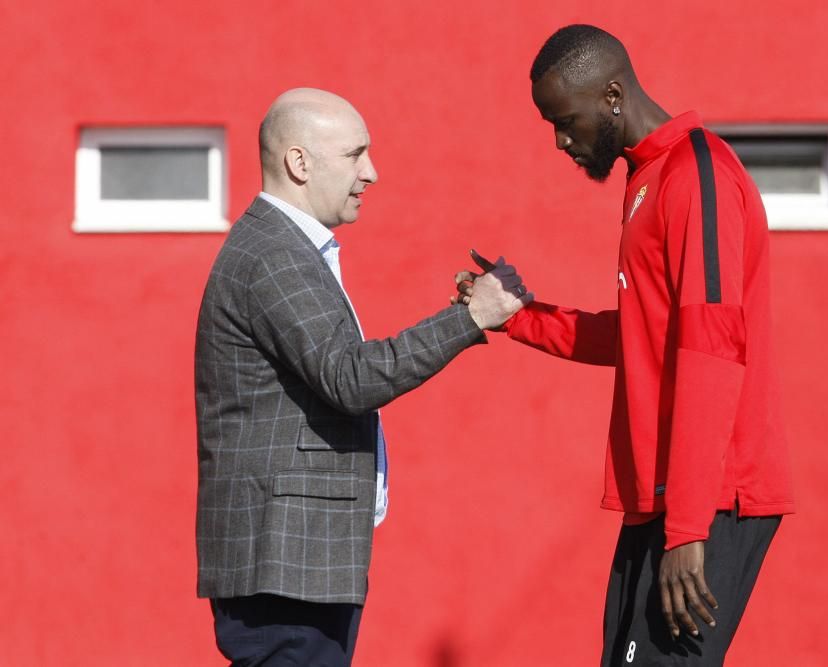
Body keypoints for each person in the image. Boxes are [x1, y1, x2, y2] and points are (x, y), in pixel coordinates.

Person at [455, 25, 795, 666]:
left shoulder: (698, 177)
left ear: (612, 95)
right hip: (665, 497)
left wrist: (689, 528)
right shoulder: (648, 179)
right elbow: (644, 335)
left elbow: (712, 345)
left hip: (710, 497)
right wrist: (520, 317)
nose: (561, 140)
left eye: (566, 121)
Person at [195, 87, 530, 667]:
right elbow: (351, 378)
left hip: (299, 560)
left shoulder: (282, 247)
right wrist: (471, 318)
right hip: (285, 564)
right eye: (355, 155)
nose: (371, 173)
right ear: (300, 163)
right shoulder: (274, 253)